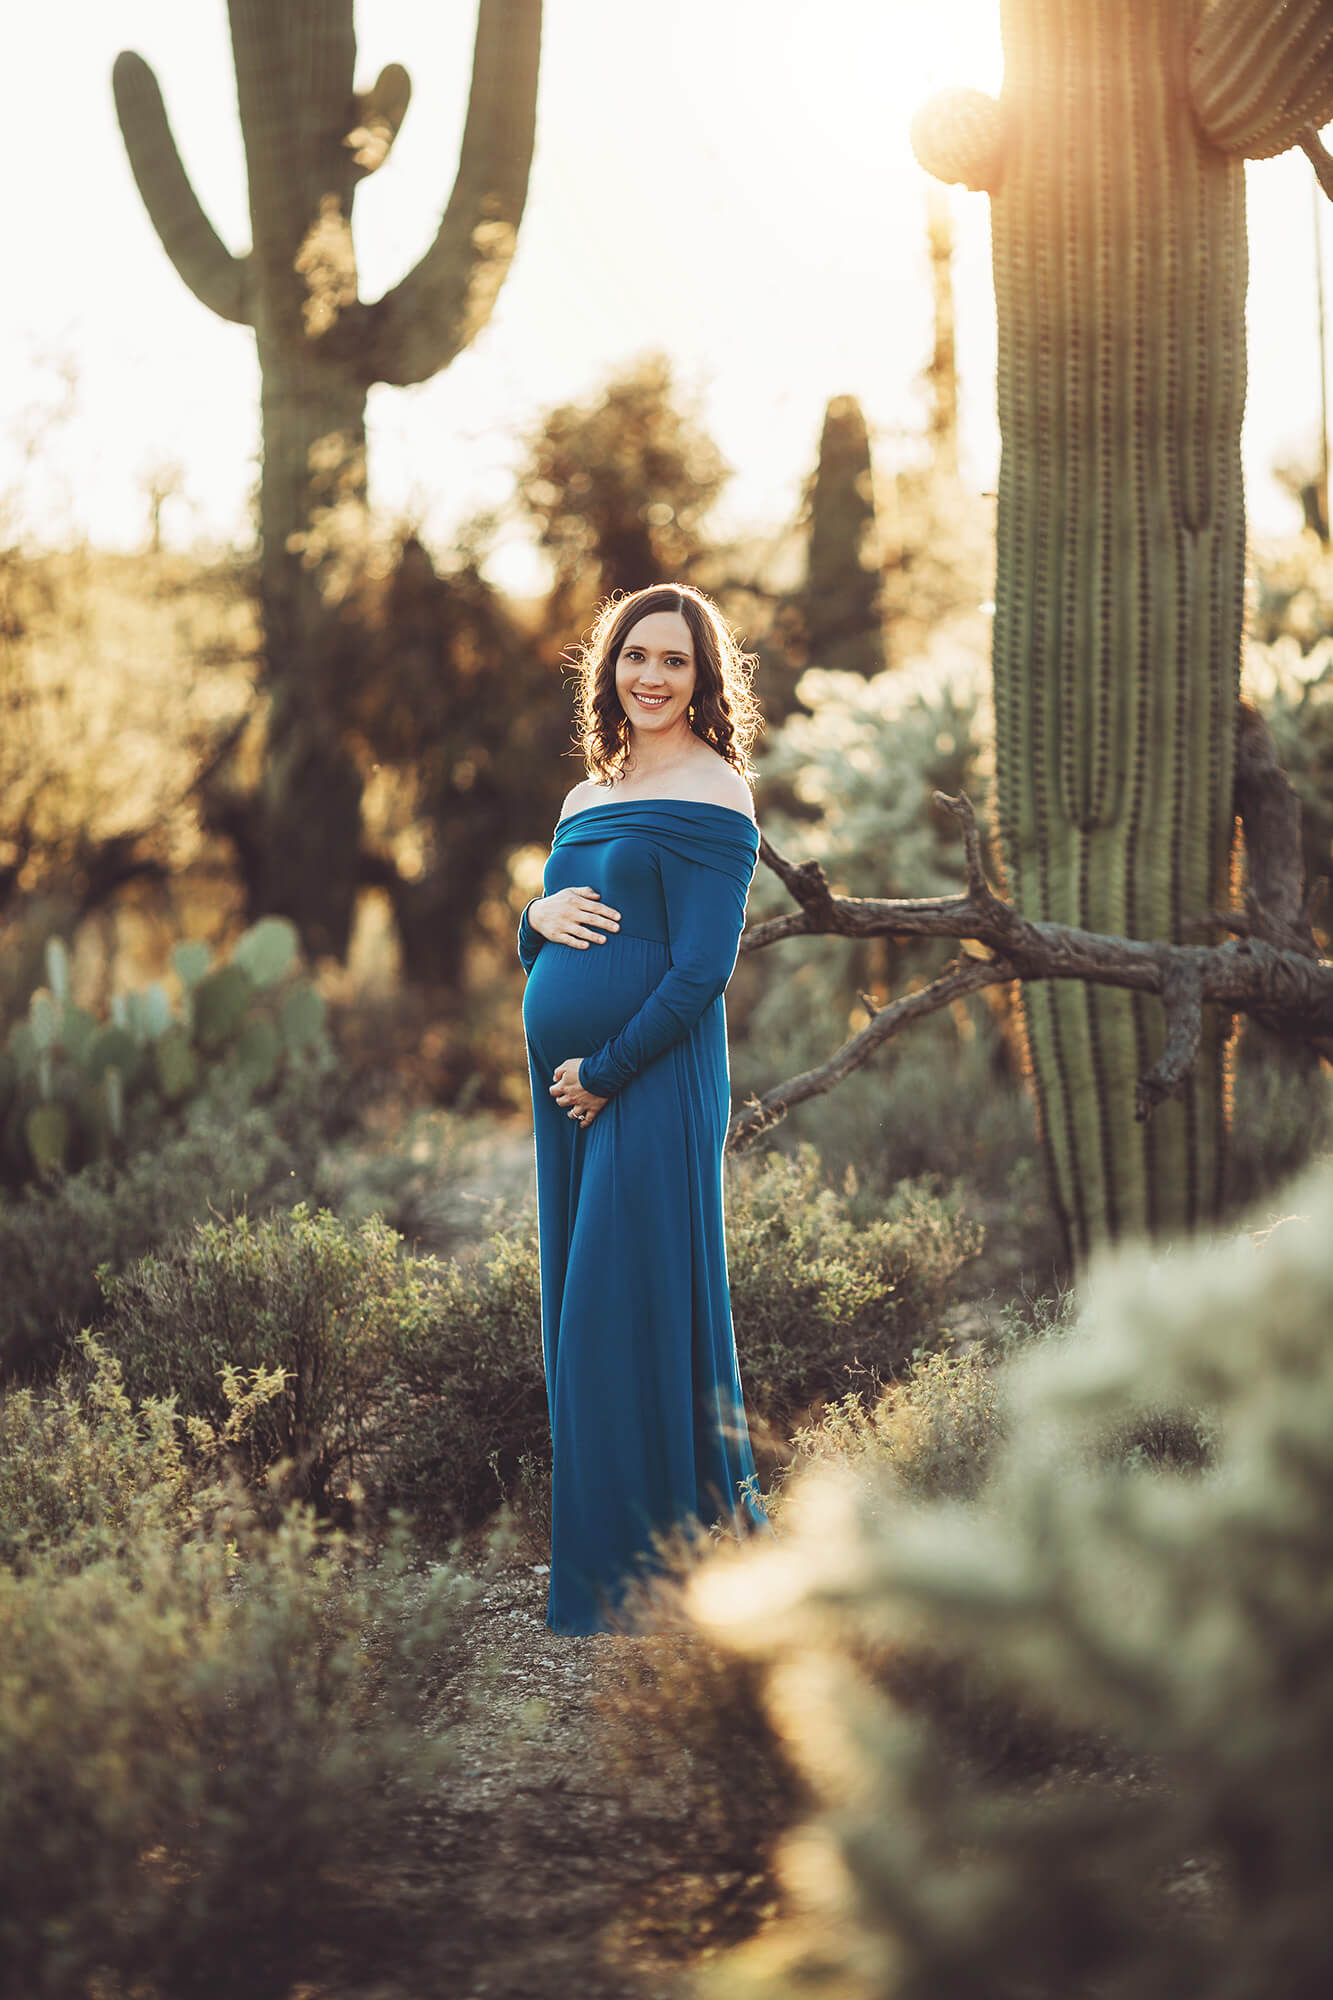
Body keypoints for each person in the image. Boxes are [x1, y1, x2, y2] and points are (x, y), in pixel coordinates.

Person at [516, 582, 770, 1635]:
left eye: (673, 659)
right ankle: (612, 1556)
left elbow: (703, 969)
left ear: (703, 677)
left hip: (648, 1080)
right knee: (581, 1310)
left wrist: (606, 1069)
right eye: (634, 656)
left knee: (632, 1305)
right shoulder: (587, 796)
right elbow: (549, 938)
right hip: (572, 1091)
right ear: (608, 668)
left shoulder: (718, 793)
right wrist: (531, 912)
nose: (651, 676)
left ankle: (656, 1566)